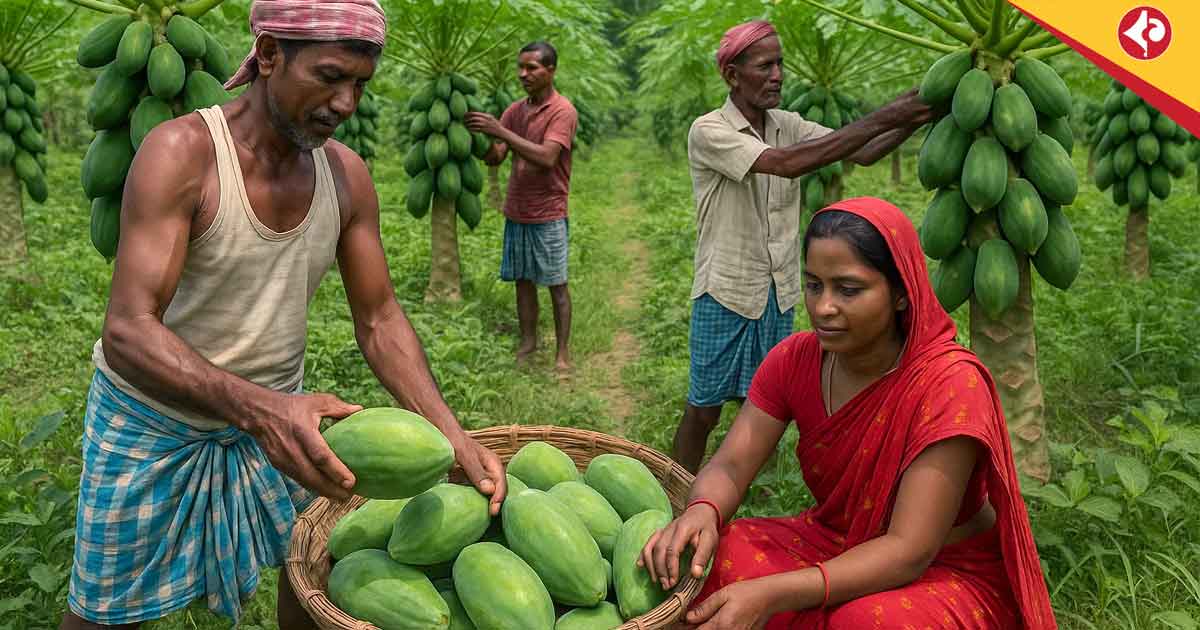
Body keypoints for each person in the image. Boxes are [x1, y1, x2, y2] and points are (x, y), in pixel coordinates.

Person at [61, 2, 506, 628]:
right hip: (153, 424)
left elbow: (379, 320)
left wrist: (451, 432)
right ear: (268, 55)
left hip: (280, 422)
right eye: (329, 77)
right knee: (101, 611)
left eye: (359, 84)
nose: (346, 103)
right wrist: (262, 411)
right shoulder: (183, 155)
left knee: (307, 577)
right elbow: (130, 330)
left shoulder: (344, 176)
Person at [641, 198, 1056, 629]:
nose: (823, 307)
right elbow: (729, 467)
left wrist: (770, 592)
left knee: (864, 623)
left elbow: (908, 550)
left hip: (943, 567)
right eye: (814, 285)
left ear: (901, 293)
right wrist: (702, 510)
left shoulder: (947, 385)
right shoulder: (795, 361)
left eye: (848, 289)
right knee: (713, 560)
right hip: (836, 545)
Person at [672, 20, 936, 473]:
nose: (777, 75)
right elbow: (789, 165)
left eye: (780, 64)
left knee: (766, 404)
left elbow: (863, 151)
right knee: (704, 408)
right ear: (733, 75)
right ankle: (674, 486)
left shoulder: (786, 124)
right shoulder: (709, 130)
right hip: (727, 289)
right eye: (764, 66)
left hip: (778, 289)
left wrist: (925, 111)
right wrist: (891, 112)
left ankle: (753, 488)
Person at [465, 41, 578, 372]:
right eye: (521, 67)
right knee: (523, 282)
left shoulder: (562, 111)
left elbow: (547, 157)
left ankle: (562, 354)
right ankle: (528, 343)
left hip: (549, 212)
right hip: (517, 210)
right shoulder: (515, 111)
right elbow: (497, 156)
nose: (523, 74)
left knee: (556, 285)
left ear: (551, 70)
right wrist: (476, 139)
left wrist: (499, 130)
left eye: (531, 68)